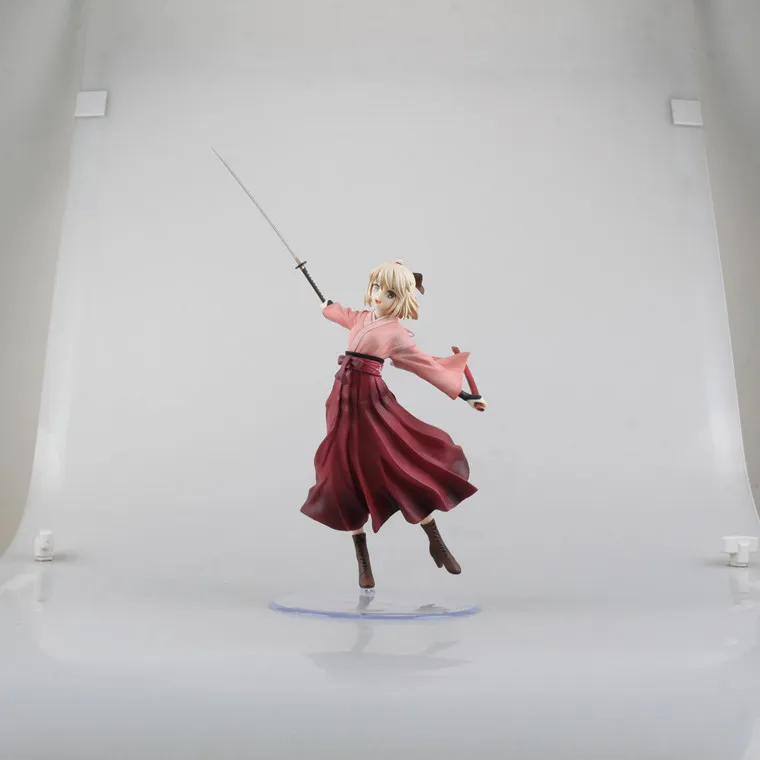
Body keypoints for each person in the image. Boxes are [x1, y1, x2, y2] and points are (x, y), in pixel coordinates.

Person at [301, 259, 487, 589]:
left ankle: (435, 539)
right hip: (341, 402)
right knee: (340, 473)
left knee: (396, 465)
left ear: (401, 298)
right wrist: (327, 306)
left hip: (370, 402)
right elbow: (340, 313)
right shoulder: (361, 318)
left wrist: (464, 396)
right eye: (376, 288)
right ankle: (363, 562)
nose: (378, 296)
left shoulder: (396, 334)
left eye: (388, 293)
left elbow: (424, 366)